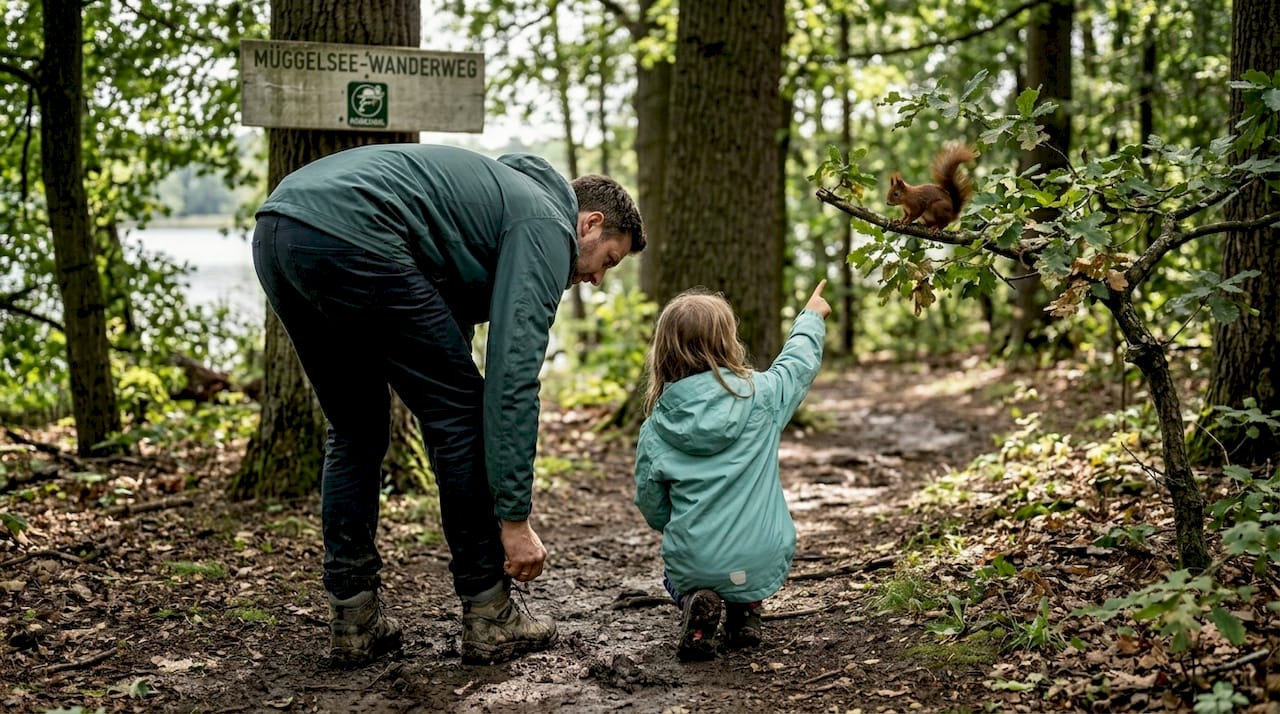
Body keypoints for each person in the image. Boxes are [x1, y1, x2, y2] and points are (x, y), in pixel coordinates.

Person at [250, 143, 645, 667]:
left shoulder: (497, 205)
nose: (595, 279)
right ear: (590, 224)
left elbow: (446, 324)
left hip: (280, 231)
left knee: (356, 427)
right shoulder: (546, 224)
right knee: (461, 414)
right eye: (607, 261)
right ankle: (489, 612)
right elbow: (512, 381)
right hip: (354, 230)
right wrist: (513, 519)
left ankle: (355, 616)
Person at [633, 281, 829, 661]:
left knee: (678, 573)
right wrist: (811, 317)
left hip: (696, 558)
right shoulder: (764, 396)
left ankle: (698, 602)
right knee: (745, 560)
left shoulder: (656, 426)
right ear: (728, 342)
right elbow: (797, 364)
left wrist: (671, 524)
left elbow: (650, 501)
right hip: (762, 552)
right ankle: (746, 613)